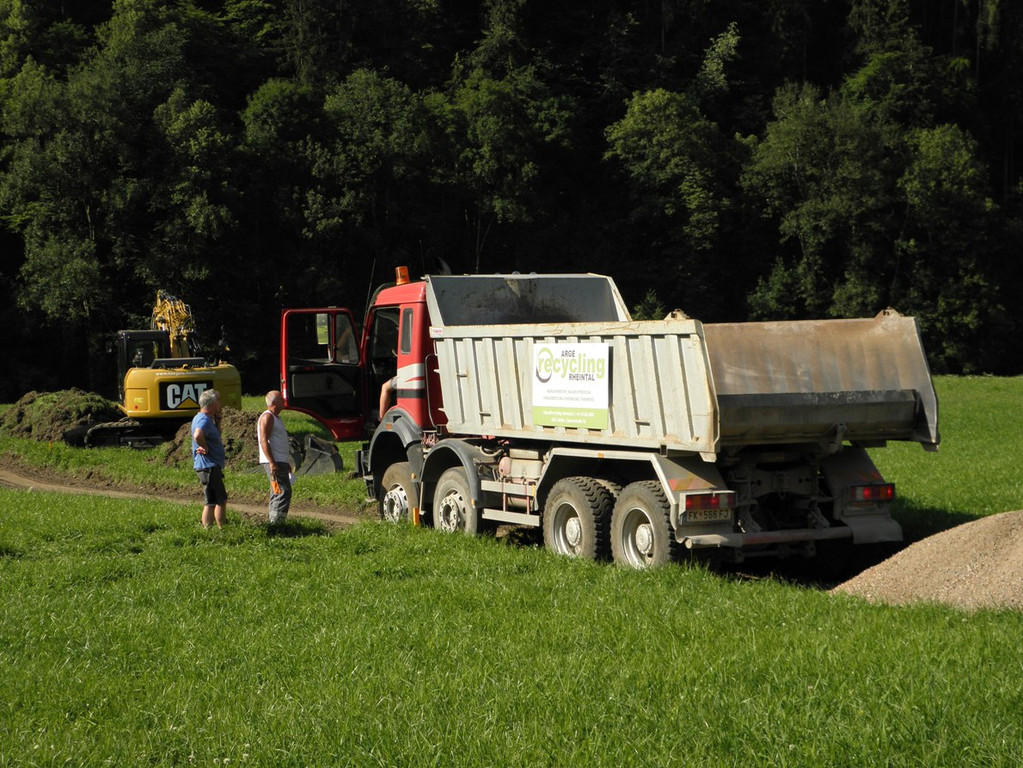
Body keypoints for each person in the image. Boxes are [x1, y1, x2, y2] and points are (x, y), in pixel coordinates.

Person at [192, 389, 227, 529]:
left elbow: (214, 437)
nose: (220, 404)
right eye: (218, 401)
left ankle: (211, 530)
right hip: (209, 466)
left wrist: (217, 423)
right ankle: (219, 529)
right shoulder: (203, 420)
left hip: (209, 466)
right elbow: (197, 435)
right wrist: (204, 447)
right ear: (212, 404)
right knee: (218, 501)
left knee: (213, 500)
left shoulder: (205, 419)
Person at [257, 390, 293, 526]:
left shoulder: (275, 418)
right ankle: (277, 524)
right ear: (273, 403)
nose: (284, 401)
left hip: (279, 461)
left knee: (278, 490)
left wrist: (285, 461)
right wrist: (272, 462)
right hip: (274, 461)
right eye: (281, 400)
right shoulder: (268, 417)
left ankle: (275, 522)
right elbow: (263, 440)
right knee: (282, 491)